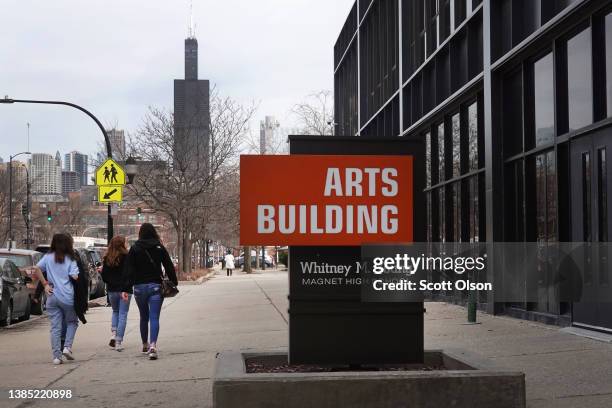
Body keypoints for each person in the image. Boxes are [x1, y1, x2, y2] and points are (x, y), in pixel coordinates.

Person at [126, 223, 177, 360]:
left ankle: (144, 344)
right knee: (154, 317)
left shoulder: (135, 248)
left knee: (144, 317)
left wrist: (127, 287)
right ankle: (153, 346)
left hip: (139, 288)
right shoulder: (159, 247)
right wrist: (173, 281)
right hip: (155, 286)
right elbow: (169, 266)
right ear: (154, 232)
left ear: (140, 233)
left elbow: (129, 270)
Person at [33, 233, 80, 365]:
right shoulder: (71, 258)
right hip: (67, 296)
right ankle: (67, 347)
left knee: (55, 327)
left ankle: (56, 357)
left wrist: (45, 284)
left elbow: (36, 268)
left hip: (52, 296)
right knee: (72, 322)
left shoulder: (47, 257)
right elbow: (75, 277)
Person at [101, 236, 132, 352]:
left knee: (115, 311)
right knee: (123, 314)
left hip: (112, 290)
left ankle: (114, 334)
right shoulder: (127, 257)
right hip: (125, 290)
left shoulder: (107, 257)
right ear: (123, 244)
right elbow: (130, 274)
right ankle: (118, 342)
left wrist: (111, 283)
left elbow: (104, 275)